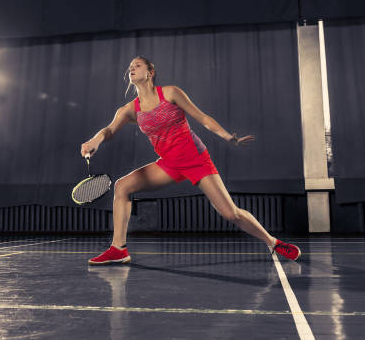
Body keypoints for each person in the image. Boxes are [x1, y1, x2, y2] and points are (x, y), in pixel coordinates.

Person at [81, 56, 300, 265]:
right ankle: (118, 249)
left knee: (230, 213)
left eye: (137, 65)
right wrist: (95, 140)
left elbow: (202, 117)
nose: (131, 68)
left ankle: (273, 242)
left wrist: (228, 137)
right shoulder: (129, 110)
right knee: (122, 186)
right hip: (168, 164)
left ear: (150, 72)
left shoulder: (170, 93)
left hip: (196, 159)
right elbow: (109, 130)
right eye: (130, 66)